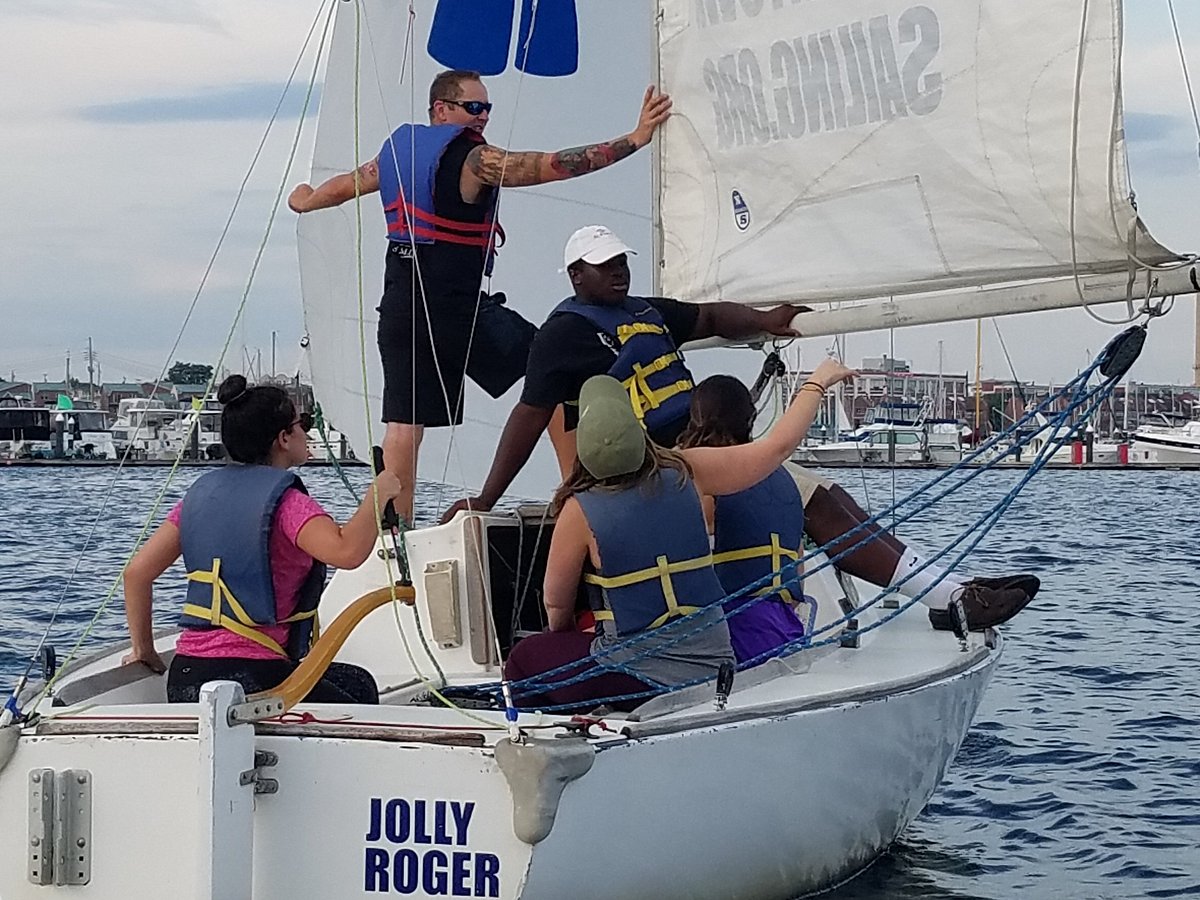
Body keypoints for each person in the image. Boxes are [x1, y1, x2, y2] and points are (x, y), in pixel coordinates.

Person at [289, 70, 672, 525]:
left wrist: (306, 200)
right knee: (555, 372)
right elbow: (548, 165)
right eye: (474, 108)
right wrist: (635, 139)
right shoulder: (476, 159)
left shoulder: (394, 154)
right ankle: (580, 498)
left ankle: (395, 535)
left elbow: (345, 185)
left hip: (402, 306)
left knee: (404, 425)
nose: (483, 117)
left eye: (487, 108)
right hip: (456, 309)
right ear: (441, 109)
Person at [504, 359, 855, 711]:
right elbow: (776, 447)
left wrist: (565, 637)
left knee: (524, 659)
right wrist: (816, 384)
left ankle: (551, 729)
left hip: (633, 670)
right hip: (713, 663)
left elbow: (556, 604)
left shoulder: (578, 511)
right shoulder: (687, 471)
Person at [440, 224, 809, 520]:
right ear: (576, 275)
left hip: (703, 442)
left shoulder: (648, 311)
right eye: (605, 265)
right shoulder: (561, 335)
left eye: (621, 262)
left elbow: (710, 316)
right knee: (790, 497)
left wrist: (765, 319)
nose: (618, 271)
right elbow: (530, 415)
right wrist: (487, 498)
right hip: (654, 461)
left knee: (817, 497)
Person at [678, 375, 1040, 633]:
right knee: (810, 498)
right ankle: (945, 595)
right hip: (734, 613)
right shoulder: (695, 469)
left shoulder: (700, 459)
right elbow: (776, 448)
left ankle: (947, 583)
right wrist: (816, 383)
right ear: (750, 419)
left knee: (824, 490)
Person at [122, 375, 404, 704]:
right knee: (358, 697)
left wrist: (144, 650)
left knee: (356, 682)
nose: (307, 432)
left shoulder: (196, 501)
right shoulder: (287, 503)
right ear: (284, 438)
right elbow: (347, 552)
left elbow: (136, 574)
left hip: (187, 677)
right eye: (304, 424)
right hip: (251, 678)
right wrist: (378, 492)